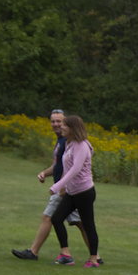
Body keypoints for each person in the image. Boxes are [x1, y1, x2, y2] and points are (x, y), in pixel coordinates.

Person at [11, 110, 94, 262]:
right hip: (68, 189)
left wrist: (61, 185)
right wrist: (45, 172)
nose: (56, 125)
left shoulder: (68, 141)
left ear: (67, 124)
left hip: (66, 188)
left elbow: (72, 168)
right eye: (53, 121)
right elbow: (58, 165)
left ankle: (34, 252)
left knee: (48, 217)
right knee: (80, 223)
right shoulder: (62, 141)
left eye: (60, 122)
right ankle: (95, 256)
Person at [47, 114, 101, 267]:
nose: (61, 127)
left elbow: (76, 169)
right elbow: (67, 167)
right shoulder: (69, 144)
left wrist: (57, 185)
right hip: (72, 192)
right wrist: (65, 186)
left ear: (72, 128)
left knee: (88, 225)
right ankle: (65, 255)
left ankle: (93, 259)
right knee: (56, 219)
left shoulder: (81, 145)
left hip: (84, 192)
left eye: (64, 125)